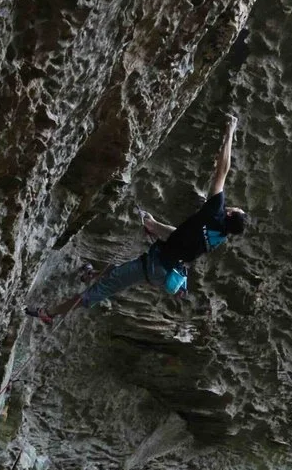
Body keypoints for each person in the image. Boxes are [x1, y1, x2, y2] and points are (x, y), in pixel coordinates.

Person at [37, 117, 246, 325]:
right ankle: (92, 273)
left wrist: (229, 133)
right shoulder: (218, 236)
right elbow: (180, 237)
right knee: (122, 271)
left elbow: (222, 171)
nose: (233, 206)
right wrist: (153, 226)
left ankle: (49, 313)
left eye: (236, 209)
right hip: (163, 271)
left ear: (229, 215)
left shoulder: (215, 211)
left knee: (102, 289)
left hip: (155, 265)